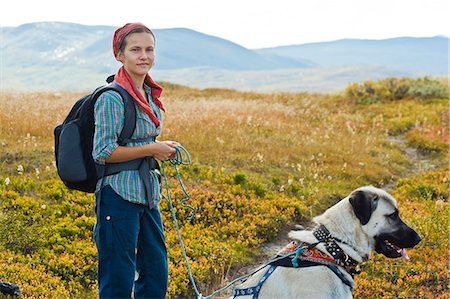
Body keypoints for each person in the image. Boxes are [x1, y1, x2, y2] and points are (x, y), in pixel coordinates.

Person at [92, 22, 179, 299]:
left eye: (149, 49)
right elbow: (103, 152)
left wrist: (162, 148)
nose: (144, 56)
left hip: (148, 195)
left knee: (156, 272)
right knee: (118, 276)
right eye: (136, 50)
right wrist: (152, 149)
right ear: (120, 54)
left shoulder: (149, 95)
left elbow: (143, 142)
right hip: (117, 196)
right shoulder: (111, 98)